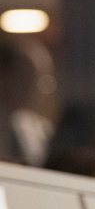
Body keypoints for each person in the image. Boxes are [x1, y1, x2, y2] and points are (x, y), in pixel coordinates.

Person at [0, 35, 54, 166]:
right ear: (3, 75)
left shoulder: (42, 132)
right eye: (25, 77)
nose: (32, 89)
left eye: (38, 80)